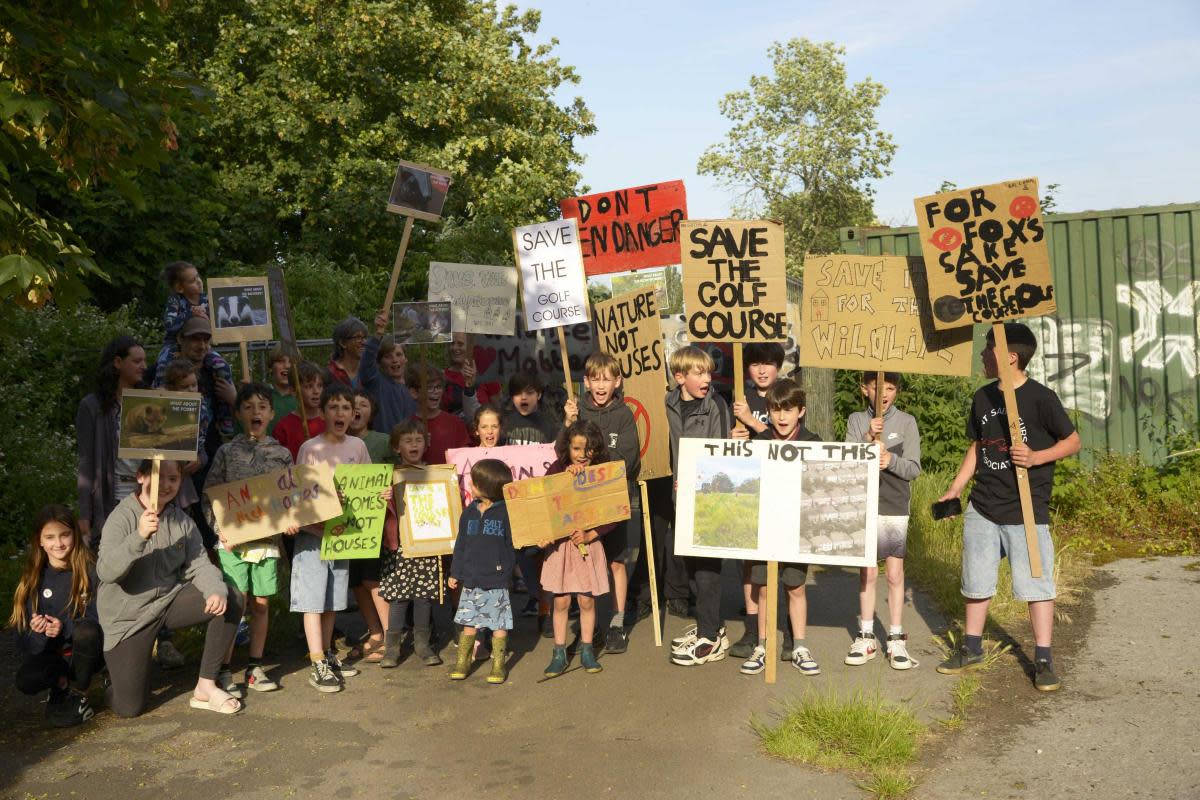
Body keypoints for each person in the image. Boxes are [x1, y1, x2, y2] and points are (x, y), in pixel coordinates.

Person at [936, 323, 1080, 692]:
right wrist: (955, 487)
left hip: (1026, 509)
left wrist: (1036, 457)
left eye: (988, 350)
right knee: (976, 579)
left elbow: (1073, 441)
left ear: (1010, 356)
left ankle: (1044, 659)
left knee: (1036, 583)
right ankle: (971, 648)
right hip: (983, 506)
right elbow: (978, 446)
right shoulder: (983, 397)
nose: (982, 356)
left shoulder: (1041, 398)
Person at [97, 459, 244, 716]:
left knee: (231, 596)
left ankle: (206, 686)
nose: (165, 485)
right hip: (129, 617)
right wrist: (139, 536)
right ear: (141, 477)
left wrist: (214, 588)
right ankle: (114, 681)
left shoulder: (182, 521)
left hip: (168, 602)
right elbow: (106, 572)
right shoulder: (121, 517)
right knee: (129, 707)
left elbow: (199, 563)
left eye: (173, 479)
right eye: (158, 477)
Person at [203, 383, 295, 695]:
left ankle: (255, 667)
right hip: (232, 545)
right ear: (239, 413)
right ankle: (225, 669)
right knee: (235, 604)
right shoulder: (227, 452)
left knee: (261, 604)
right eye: (248, 406)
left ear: (271, 413)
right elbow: (210, 496)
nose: (256, 411)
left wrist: (291, 521)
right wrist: (220, 530)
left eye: (262, 406)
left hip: (266, 543)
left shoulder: (281, 454)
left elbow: (290, 497)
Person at [293, 385, 384, 692]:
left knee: (332, 600)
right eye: (334, 407)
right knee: (312, 601)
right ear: (323, 412)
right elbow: (300, 493)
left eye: (346, 408)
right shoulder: (310, 447)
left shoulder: (357, 446)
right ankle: (316, 661)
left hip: (342, 535)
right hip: (313, 536)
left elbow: (369, 484)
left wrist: (380, 492)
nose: (341, 413)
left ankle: (329, 654)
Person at [736, 379, 822, 676]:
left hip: (798, 531)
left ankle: (799, 645)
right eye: (775, 409)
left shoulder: (813, 442)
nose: (782, 416)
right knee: (763, 588)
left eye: (788, 409)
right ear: (768, 412)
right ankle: (762, 645)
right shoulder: (758, 443)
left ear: (801, 411)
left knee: (795, 586)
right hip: (765, 530)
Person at [563, 352, 641, 654]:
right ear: (585, 381)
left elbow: (628, 457)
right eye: (594, 379)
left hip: (613, 499)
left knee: (616, 561)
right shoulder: (577, 412)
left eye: (606, 379)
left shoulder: (624, 415)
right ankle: (590, 625)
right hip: (580, 502)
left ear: (617, 382)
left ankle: (617, 622)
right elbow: (562, 452)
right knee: (584, 561)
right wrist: (569, 423)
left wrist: (593, 464)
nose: (600, 384)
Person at [844, 371, 922, 670]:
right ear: (865, 390)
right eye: (878, 388)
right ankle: (866, 636)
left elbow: (914, 469)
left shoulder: (906, 422)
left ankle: (896, 637)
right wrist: (866, 440)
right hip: (864, 505)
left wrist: (890, 460)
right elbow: (848, 461)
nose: (884, 394)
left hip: (893, 505)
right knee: (868, 573)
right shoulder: (856, 420)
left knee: (893, 573)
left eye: (890, 388)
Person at [665, 346, 733, 667]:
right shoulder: (668, 404)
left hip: (708, 497)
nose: (707, 378)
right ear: (680, 377)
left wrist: (698, 479)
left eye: (708, 372)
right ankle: (711, 624)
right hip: (680, 498)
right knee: (691, 564)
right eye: (699, 373)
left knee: (707, 568)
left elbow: (720, 450)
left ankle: (710, 637)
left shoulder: (716, 404)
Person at [9, 505, 103, 727]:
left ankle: (81, 690)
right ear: (39, 541)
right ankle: (60, 687)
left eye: (65, 535)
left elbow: (100, 619)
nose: (58, 543)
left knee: (87, 630)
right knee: (26, 679)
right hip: (55, 656)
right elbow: (27, 646)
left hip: (87, 652)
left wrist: (64, 628)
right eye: (50, 537)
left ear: (75, 534)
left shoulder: (90, 569)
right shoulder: (33, 579)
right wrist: (39, 631)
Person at [537, 421, 614, 677]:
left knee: (586, 600)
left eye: (588, 449)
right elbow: (544, 502)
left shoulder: (602, 472)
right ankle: (559, 652)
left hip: (587, 544)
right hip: (561, 547)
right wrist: (563, 478)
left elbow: (613, 512)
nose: (582, 455)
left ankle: (587, 650)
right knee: (560, 601)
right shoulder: (557, 469)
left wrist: (591, 534)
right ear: (567, 448)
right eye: (577, 448)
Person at [729, 342, 784, 660]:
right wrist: (731, 435)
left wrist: (752, 421)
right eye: (755, 364)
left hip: (780, 488)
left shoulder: (788, 395)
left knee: (785, 563)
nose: (762, 370)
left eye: (768, 363)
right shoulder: (739, 398)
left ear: (779, 366)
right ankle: (752, 628)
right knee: (747, 560)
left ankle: (788, 631)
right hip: (748, 486)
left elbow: (787, 436)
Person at [378, 419, 446, 668]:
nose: (413, 444)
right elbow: (382, 514)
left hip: (427, 544)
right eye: (407, 440)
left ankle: (422, 644)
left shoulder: (435, 474)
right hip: (400, 547)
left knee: (424, 596)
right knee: (399, 597)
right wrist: (385, 498)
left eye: (418, 440)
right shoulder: (390, 476)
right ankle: (392, 647)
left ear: (425, 445)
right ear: (397, 447)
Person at [447, 459, 515, 684]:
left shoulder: (507, 513)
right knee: (468, 623)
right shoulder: (469, 513)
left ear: (487, 486)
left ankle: (498, 664)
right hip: (472, 579)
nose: (471, 485)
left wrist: (507, 571)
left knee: (498, 624)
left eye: (474, 482)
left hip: (496, 578)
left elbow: (515, 544)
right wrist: (455, 573)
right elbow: (461, 545)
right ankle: (463, 661)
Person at [77, 336, 147, 546]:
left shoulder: (150, 400)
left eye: (145, 360)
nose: (144, 366)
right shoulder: (91, 406)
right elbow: (86, 463)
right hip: (112, 498)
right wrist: (85, 515)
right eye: (137, 361)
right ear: (118, 362)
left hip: (147, 496)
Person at [362, 311, 417, 434]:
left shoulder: (415, 386)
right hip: (386, 447)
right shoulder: (377, 383)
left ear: (406, 358)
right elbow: (366, 363)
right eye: (388, 356)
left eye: (398, 354)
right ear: (380, 362)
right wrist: (377, 334)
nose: (394, 360)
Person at [152, 261, 208, 380]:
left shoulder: (206, 300)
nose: (198, 281)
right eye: (192, 280)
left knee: (221, 364)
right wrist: (189, 313)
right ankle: (159, 389)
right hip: (174, 345)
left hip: (202, 345)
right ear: (179, 288)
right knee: (163, 363)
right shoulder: (175, 300)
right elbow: (169, 325)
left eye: (198, 276)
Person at [406, 361, 469, 465]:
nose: (436, 391)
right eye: (429, 387)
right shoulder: (407, 427)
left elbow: (464, 458)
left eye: (439, 387)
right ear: (414, 392)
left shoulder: (455, 423)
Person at [274, 362, 327, 461]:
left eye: (319, 385)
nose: (316, 391)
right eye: (309, 386)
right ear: (293, 391)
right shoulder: (283, 427)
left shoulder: (330, 420)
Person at [442, 332, 499, 418]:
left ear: (471, 346)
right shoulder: (443, 376)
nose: (454, 348)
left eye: (460, 344)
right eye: (452, 344)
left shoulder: (486, 374)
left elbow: (497, 406)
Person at [501, 372, 559, 445]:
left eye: (529, 393)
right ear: (512, 397)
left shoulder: (550, 426)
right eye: (518, 393)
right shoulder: (502, 423)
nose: (523, 397)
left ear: (539, 395)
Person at [265, 346, 299, 437]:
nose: (287, 366)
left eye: (291, 362)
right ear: (271, 367)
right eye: (280, 361)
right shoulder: (262, 396)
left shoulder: (303, 399)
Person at [327, 317, 368, 387]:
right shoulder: (331, 374)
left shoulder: (367, 372)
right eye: (358, 338)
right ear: (343, 343)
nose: (364, 342)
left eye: (365, 338)